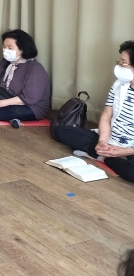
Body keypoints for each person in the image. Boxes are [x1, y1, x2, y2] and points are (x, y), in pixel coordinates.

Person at [53, 41, 134, 182]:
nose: (119, 66)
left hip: (131, 148)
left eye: (123, 62)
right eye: (119, 62)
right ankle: (104, 152)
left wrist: (126, 151)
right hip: (111, 139)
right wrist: (103, 142)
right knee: (60, 130)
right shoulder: (119, 86)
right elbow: (106, 116)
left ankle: (103, 156)